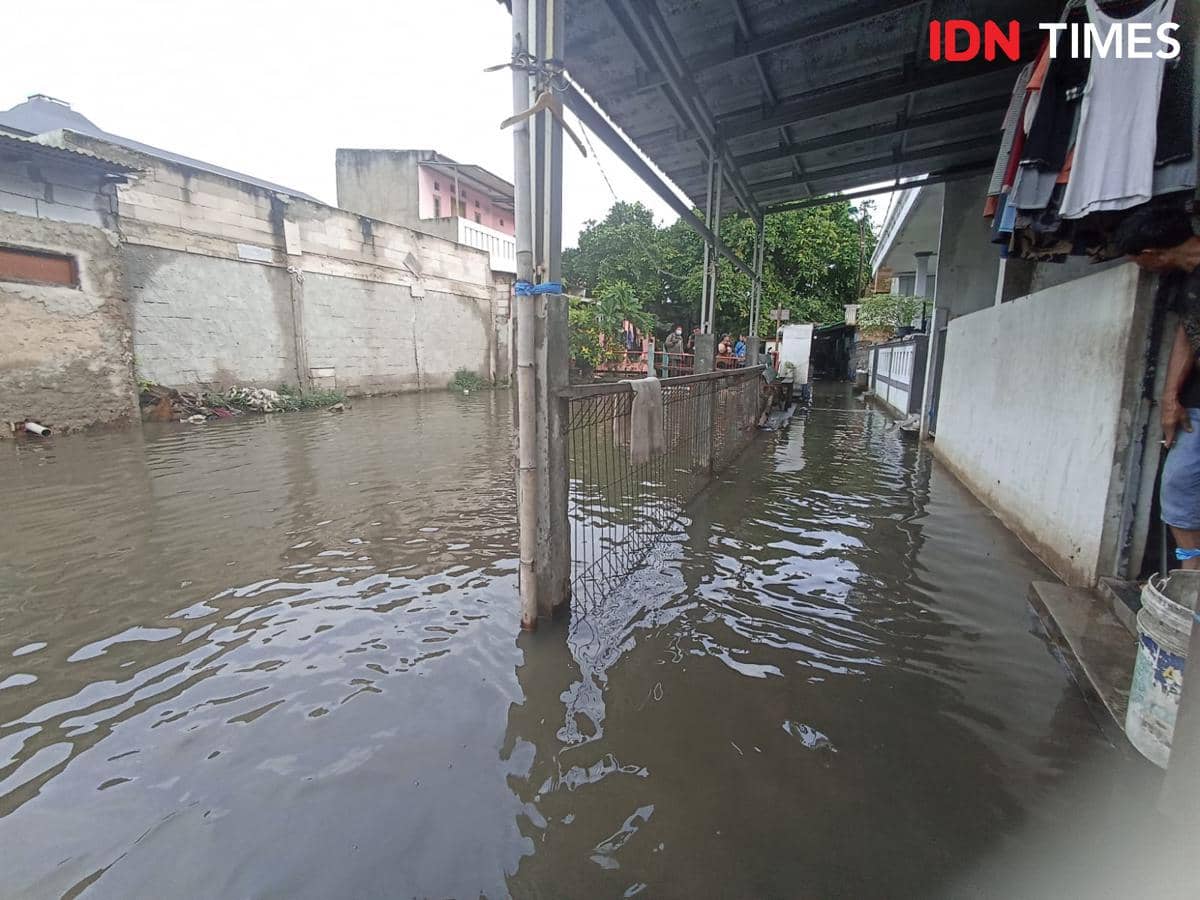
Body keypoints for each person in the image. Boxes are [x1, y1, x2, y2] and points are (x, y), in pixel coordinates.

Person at [1116, 204, 1200, 568]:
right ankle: (1191, 578)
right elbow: (1188, 331)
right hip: (1196, 403)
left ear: (1150, 255)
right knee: (1178, 487)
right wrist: (1170, 398)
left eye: (1137, 261)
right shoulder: (1186, 280)